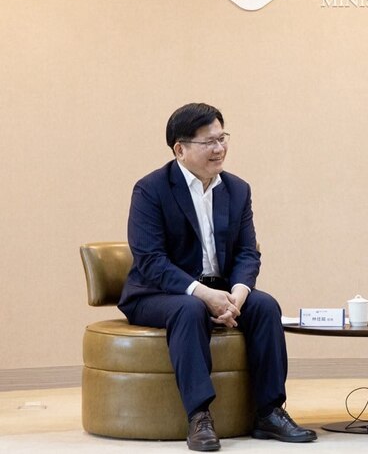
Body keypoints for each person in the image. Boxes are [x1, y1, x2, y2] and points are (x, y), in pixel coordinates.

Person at [118, 103, 317, 451]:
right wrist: (201, 294)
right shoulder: (151, 190)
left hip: (220, 288)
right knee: (189, 309)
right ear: (180, 149)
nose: (219, 148)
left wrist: (238, 294)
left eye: (222, 138)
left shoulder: (237, 189)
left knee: (265, 306)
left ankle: (269, 412)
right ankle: (199, 415)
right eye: (208, 142)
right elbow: (150, 260)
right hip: (156, 293)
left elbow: (246, 252)